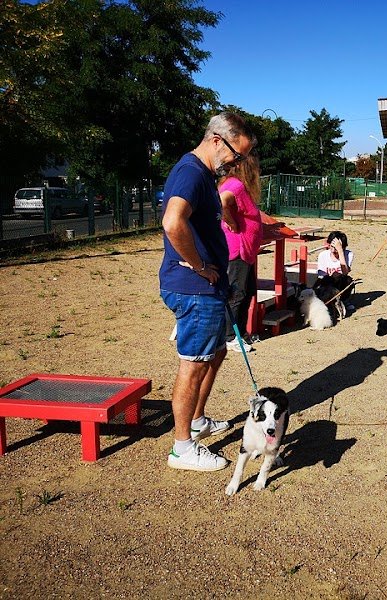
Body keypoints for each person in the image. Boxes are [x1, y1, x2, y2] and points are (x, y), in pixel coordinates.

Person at [159, 112, 256, 471]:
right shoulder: (190, 172)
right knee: (195, 363)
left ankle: (197, 420)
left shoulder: (204, 174)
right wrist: (200, 266)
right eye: (236, 154)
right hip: (195, 289)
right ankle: (182, 448)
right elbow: (172, 222)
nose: (237, 162)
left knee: (215, 355)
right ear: (217, 140)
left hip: (211, 288)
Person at [219, 154, 262, 353]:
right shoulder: (235, 185)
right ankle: (230, 336)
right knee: (236, 294)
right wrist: (230, 221)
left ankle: (241, 333)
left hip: (247, 251)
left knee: (247, 293)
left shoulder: (241, 188)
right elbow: (222, 202)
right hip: (237, 249)